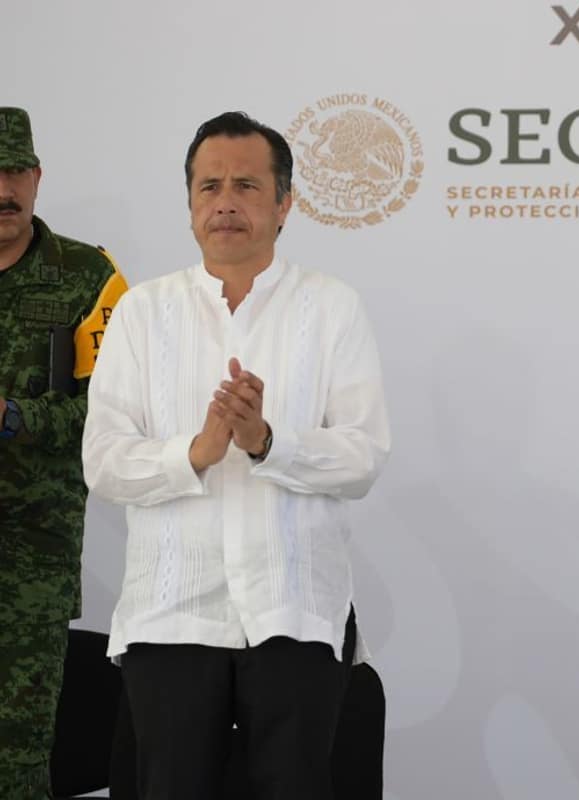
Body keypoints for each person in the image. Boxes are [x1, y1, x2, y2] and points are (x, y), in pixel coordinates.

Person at [81, 111, 390, 800]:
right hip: (172, 614)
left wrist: (267, 443)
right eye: (208, 185)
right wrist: (195, 453)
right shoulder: (141, 312)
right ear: (190, 205)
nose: (225, 200)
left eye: (247, 185)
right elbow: (102, 461)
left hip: (295, 612)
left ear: (284, 204)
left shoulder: (332, 307)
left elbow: (363, 457)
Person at [0, 106, 128, 799]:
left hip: (32, 555)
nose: (4, 189)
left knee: (19, 749)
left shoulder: (89, 276)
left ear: (38, 178)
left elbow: (118, 412)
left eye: (16, 170)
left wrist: (16, 418)